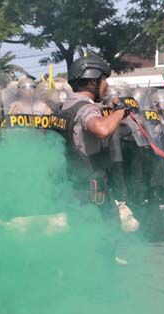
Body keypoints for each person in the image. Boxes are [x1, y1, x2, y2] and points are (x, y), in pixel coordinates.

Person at [60, 55, 138, 232]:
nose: (107, 86)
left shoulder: (64, 108)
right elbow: (101, 129)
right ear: (91, 81)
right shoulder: (87, 108)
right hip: (92, 193)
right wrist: (120, 111)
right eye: (104, 80)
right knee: (104, 242)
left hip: (73, 187)